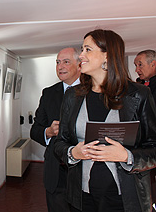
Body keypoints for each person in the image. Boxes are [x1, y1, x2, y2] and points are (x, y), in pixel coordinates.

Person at [54, 29, 156, 212]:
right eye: (82, 49)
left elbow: (154, 147)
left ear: (107, 56)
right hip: (82, 197)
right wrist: (73, 152)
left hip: (125, 198)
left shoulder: (139, 94)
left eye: (87, 49)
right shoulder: (72, 95)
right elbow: (60, 142)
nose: (81, 55)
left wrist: (127, 157)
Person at [30, 47, 81, 212]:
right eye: (58, 62)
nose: (60, 67)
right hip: (56, 172)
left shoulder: (94, 91)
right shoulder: (49, 93)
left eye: (66, 62)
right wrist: (49, 132)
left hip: (84, 171)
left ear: (80, 65)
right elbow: (35, 130)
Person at [134, 49, 156, 207]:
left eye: (140, 65)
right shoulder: (141, 86)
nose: (137, 69)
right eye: (136, 65)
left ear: (153, 64)